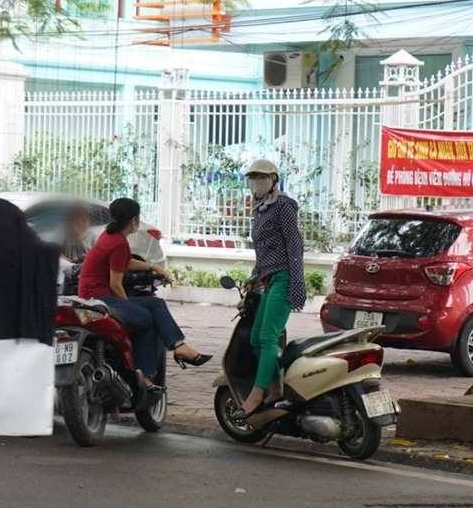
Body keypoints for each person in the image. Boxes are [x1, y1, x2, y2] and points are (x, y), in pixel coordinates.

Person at [77, 197, 211, 387]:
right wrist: (128, 306)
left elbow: (127, 261)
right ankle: (144, 375)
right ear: (133, 221)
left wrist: (153, 267)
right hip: (102, 299)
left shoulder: (109, 236)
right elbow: (116, 285)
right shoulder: (118, 243)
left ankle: (179, 346)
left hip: (91, 296)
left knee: (157, 304)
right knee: (150, 320)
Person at [235, 159, 307, 418]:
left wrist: (297, 282)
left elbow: (294, 245)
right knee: (255, 339)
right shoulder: (261, 209)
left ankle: (256, 395)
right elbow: (266, 250)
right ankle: (276, 388)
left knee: (267, 338)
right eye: (253, 177)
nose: (257, 181)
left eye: (263, 177)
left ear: (274, 180)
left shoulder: (283, 205)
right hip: (267, 279)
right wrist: (255, 275)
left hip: (285, 278)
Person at [59, 202, 96, 295]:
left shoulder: (91, 236)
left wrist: (87, 258)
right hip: (66, 277)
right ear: (72, 220)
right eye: (81, 217)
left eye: (87, 218)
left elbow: (93, 255)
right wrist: (68, 260)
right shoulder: (62, 233)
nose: (85, 221)